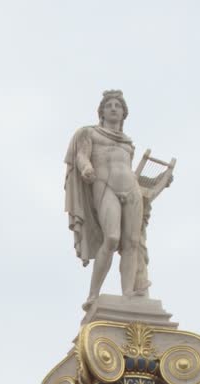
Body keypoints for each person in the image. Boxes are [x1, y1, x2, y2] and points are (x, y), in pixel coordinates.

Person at [64, 90, 153, 310]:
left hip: (131, 189)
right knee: (112, 238)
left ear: (124, 114)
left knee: (131, 242)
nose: (114, 108)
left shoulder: (127, 143)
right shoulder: (90, 133)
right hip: (105, 187)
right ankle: (93, 294)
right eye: (109, 105)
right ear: (102, 111)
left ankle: (128, 295)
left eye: (118, 106)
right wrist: (86, 168)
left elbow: (129, 171)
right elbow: (81, 155)